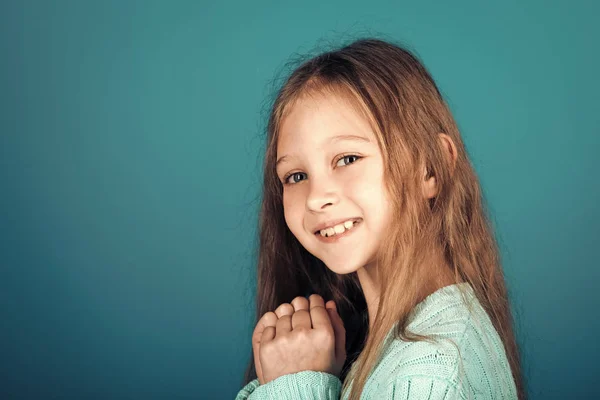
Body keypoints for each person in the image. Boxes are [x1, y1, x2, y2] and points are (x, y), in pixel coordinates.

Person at [234, 38, 524, 400]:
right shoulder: (389, 343)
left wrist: (293, 386)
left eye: (348, 158)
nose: (317, 198)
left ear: (431, 168)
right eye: (295, 176)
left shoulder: (428, 375)